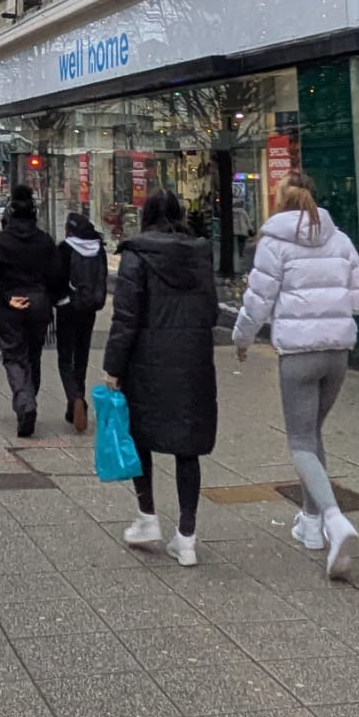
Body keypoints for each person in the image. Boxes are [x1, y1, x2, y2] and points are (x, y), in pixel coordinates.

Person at [231, 174, 359, 580]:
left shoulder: (272, 244)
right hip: (338, 354)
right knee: (315, 435)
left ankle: (333, 519)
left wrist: (241, 339)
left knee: (300, 441)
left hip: (298, 355)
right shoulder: (341, 240)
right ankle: (310, 525)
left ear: (280, 202)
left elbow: (258, 302)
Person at [105, 188, 220, 566]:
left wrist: (113, 367)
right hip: (193, 365)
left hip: (147, 364)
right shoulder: (200, 256)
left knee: (142, 437)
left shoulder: (137, 257)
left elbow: (125, 318)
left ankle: (147, 516)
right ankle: (186, 536)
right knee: (188, 448)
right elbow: (212, 313)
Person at [0, 185, 64, 437]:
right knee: (33, 355)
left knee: (15, 355)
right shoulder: (44, 240)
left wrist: (6, 296)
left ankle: (26, 401)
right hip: (38, 304)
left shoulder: (0, 241)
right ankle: (28, 400)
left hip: (9, 306)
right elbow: (56, 275)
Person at [56, 211, 108, 431]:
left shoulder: (65, 249)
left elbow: (56, 278)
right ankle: (79, 393)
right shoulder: (99, 249)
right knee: (82, 354)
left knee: (65, 356)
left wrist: (58, 299)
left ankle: (74, 398)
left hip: (68, 308)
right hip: (89, 308)